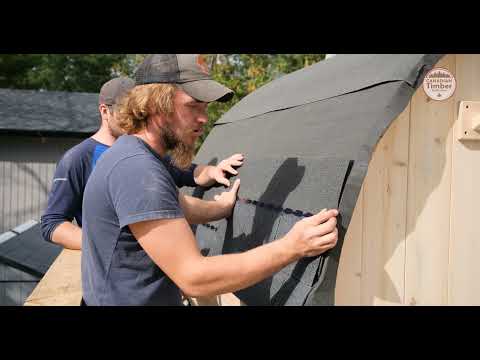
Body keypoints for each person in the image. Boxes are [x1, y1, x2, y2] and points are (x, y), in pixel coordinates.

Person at [81, 54, 339, 306]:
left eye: (205, 107)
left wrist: (222, 208)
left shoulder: (135, 156)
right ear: (152, 104)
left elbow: (177, 207)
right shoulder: (136, 170)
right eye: (193, 106)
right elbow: (195, 278)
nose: (204, 118)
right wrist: (291, 247)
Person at [41, 76, 244, 250]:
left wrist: (213, 171)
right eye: (125, 110)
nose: (135, 116)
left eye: (138, 109)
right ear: (105, 111)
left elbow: (186, 173)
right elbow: (52, 223)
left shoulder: (142, 151)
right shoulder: (78, 158)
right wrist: (102, 243)